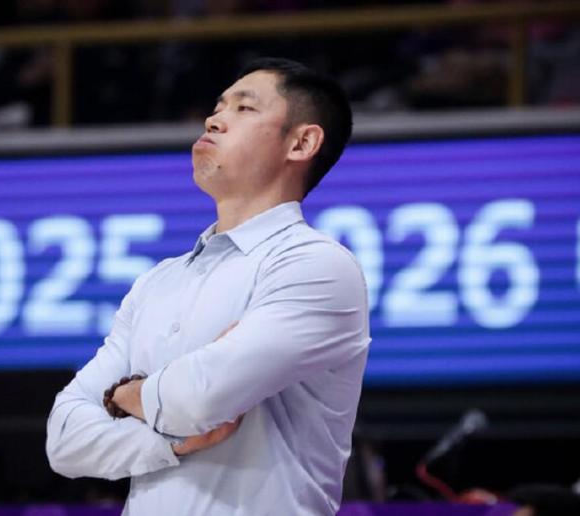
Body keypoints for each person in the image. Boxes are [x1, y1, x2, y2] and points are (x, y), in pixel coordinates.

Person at [46, 57, 370, 515]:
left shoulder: (317, 265)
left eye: (244, 108)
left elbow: (202, 397)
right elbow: (63, 440)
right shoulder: (158, 281)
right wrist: (169, 443)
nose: (214, 120)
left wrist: (123, 395)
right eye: (218, 107)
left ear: (302, 142)